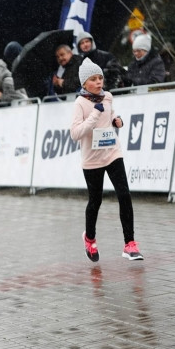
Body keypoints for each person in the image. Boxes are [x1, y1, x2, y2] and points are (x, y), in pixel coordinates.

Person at [70, 59, 143, 262]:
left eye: (100, 78)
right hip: (92, 159)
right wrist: (95, 115)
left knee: (124, 194)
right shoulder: (80, 103)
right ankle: (90, 238)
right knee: (96, 200)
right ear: (84, 83)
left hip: (112, 152)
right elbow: (75, 133)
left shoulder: (108, 97)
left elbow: (110, 115)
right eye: (93, 79)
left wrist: (116, 120)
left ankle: (130, 243)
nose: (99, 82)